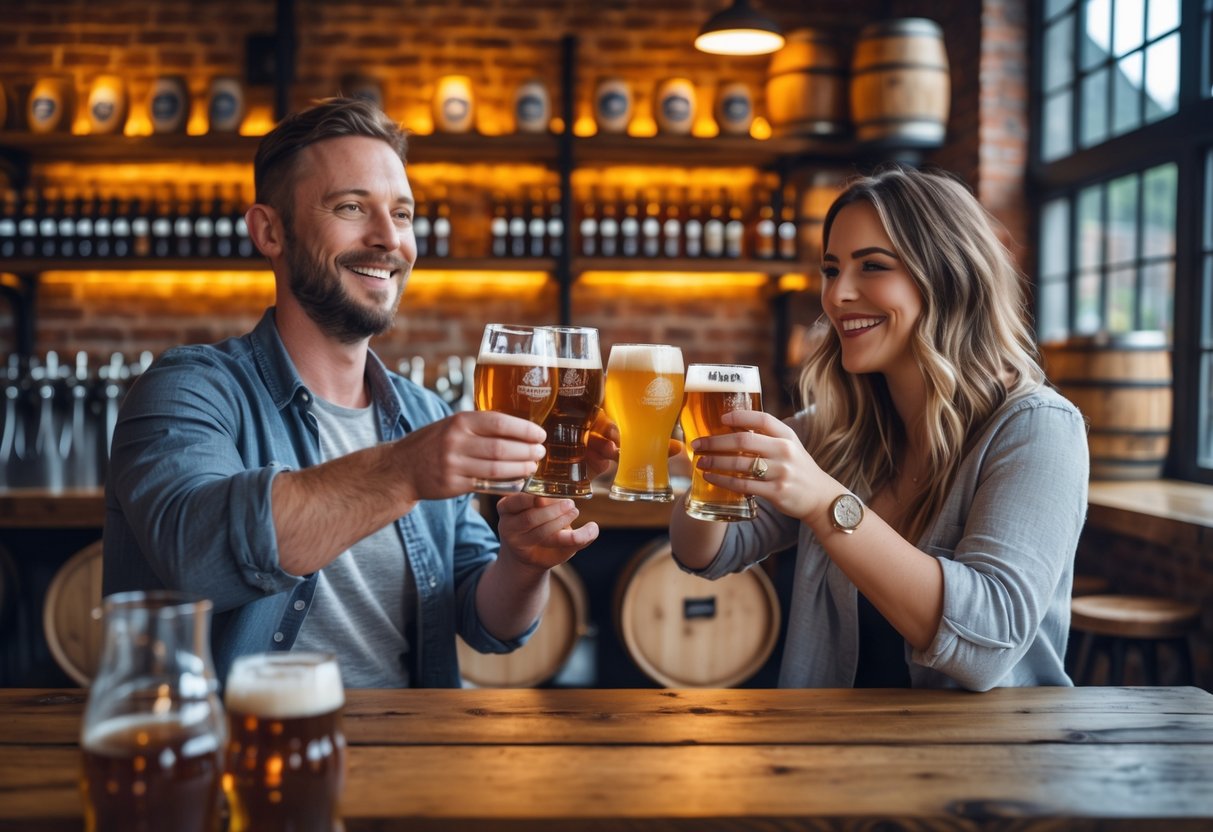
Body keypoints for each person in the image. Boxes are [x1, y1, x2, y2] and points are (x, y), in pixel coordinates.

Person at [102, 97, 602, 687]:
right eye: (350, 207)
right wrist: (403, 471)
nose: (389, 239)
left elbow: (483, 620)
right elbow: (197, 556)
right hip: (237, 755)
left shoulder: (423, 415)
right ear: (269, 230)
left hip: (409, 761)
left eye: (403, 213)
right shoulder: (190, 390)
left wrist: (523, 561)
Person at [669, 165, 1088, 691]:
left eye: (872, 266)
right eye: (831, 268)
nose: (838, 294)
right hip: (840, 757)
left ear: (947, 276)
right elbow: (705, 555)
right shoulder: (837, 431)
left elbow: (987, 642)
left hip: (988, 761)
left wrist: (827, 505)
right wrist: (705, 474)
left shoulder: (1037, 428)